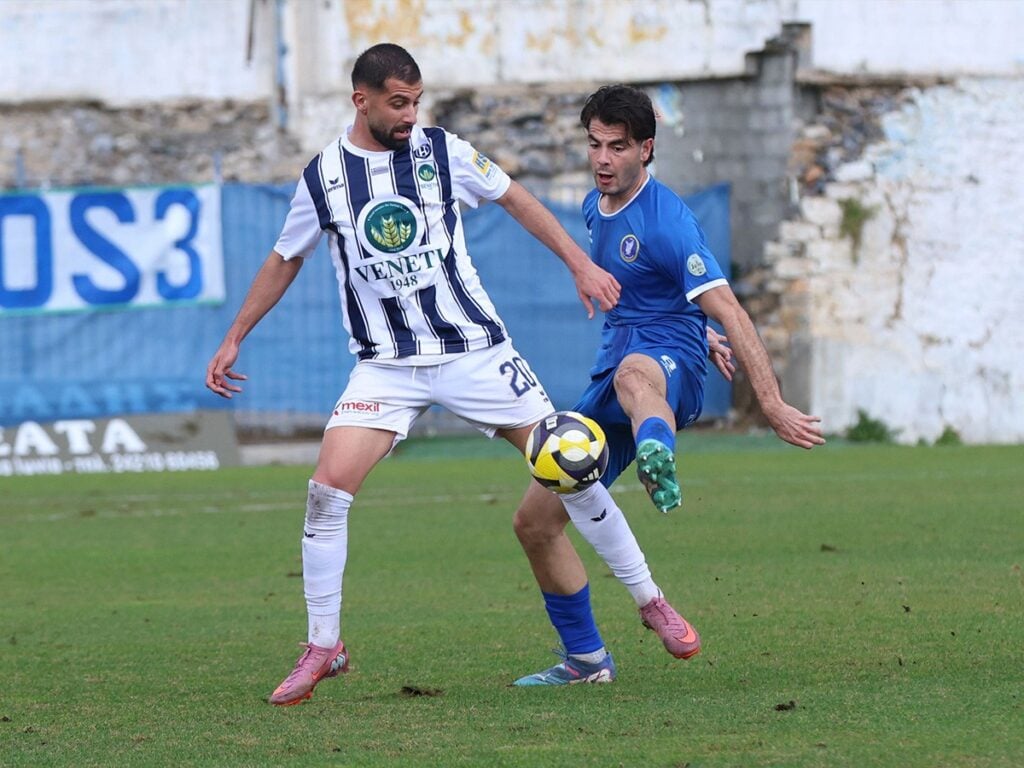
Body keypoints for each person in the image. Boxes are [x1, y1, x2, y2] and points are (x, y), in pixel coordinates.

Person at [205, 44, 654, 706]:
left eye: (416, 101)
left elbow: (515, 198)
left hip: (473, 351)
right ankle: (324, 645)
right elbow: (284, 258)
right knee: (327, 490)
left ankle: (649, 600)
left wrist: (579, 264)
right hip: (386, 366)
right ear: (361, 101)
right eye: (397, 103)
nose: (410, 114)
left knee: (568, 461)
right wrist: (235, 335)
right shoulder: (325, 177)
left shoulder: (442, 151)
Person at [510, 84, 825, 685]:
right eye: (595, 145)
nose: (603, 159)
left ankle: (658, 450)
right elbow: (648, 291)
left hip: (665, 363)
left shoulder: (670, 223)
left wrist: (772, 403)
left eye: (618, 147)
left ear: (646, 149)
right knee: (535, 521)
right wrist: (698, 328)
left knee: (636, 375)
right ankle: (587, 660)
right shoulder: (594, 206)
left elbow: (731, 310)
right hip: (617, 365)